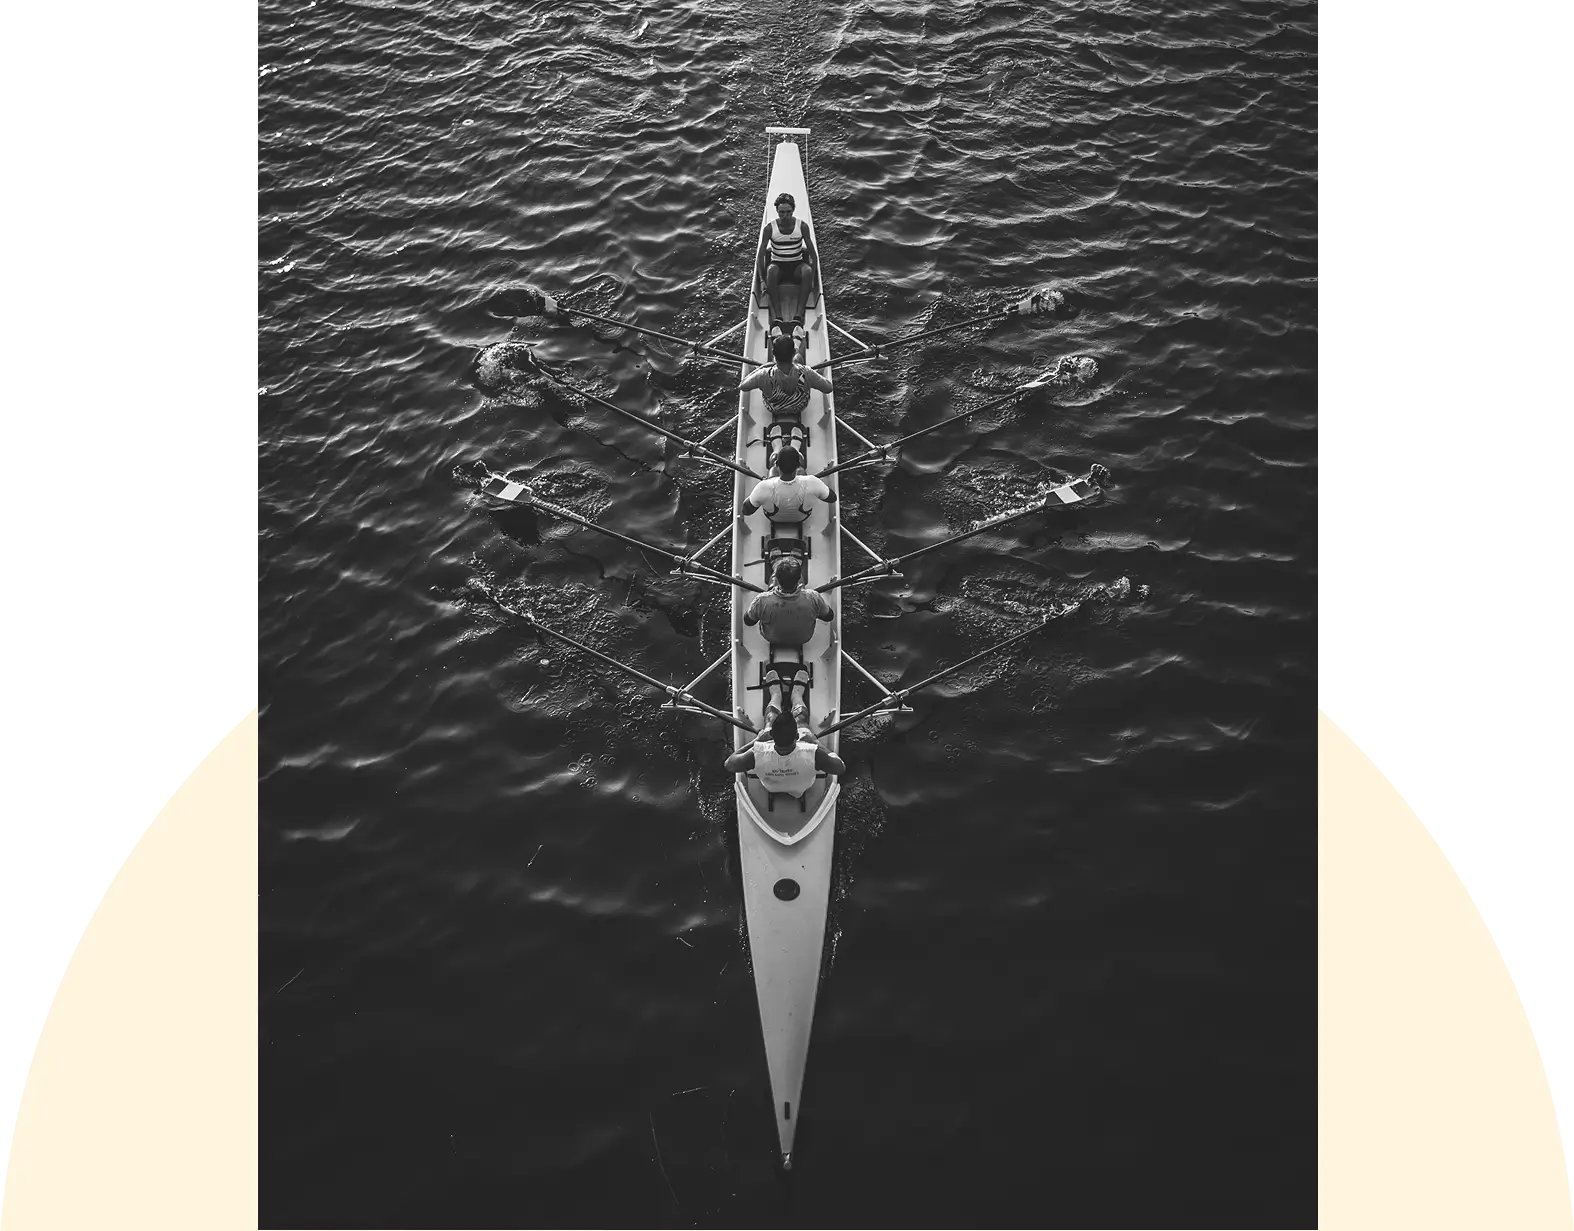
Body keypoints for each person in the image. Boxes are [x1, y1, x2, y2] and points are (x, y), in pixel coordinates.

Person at [724, 710, 845, 799]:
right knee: (801, 719)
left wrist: (757, 740)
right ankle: (798, 694)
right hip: (802, 789)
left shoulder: (757, 752)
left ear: (771, 735)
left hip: (771, 788)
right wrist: (815, 741)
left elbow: (729, 764)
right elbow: (840, 767)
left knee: (771, 717)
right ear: (797, 736)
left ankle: (775, 693)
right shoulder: (814, 752)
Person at [755, 192, 820, 331]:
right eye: (782, 212)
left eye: (789, 212)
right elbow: (760, 256)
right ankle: (778, 317)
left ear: (793, 210)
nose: (785, 216)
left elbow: (813, 255)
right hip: (778, 266)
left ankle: (798, 316)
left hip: (796, 266)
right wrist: (761, 280)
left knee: (807, 271)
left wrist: (813, 278)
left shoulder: (802, 226)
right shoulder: (769, 229)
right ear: (777, 211)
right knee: (771, 270)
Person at [744, 556, 834, 648]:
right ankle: (795, 559)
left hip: (771, 638)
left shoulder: (761, 600)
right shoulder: (813, 597)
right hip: (804, 638)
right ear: (798, 578)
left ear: (777, 579)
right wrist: (815, 610)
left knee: (772, 585)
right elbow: (829, 616)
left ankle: (775, 562)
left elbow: (749, 621)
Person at [740, 336, 834, 418]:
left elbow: (743, 386)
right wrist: (812, 376)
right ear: (793, 352)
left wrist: (762, 367)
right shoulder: (806, 372)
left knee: (750, 362)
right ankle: (801, 340)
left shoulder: (763, 374)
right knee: (799, 359)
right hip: (799, 407)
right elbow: (828, 388)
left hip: (774, 408)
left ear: (774, 353)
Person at [739, 445, 836, 524]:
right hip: (802, 518)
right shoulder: (813, 482)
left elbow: (746, 511)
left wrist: (764, 485)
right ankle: (796, 448)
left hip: (774, 518)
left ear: (777, 464)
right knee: (802, 472)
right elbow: (832, 498)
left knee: (772, 471)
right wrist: (817, 487)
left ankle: (776, 448)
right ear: (797, 465)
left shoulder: (763, 487)